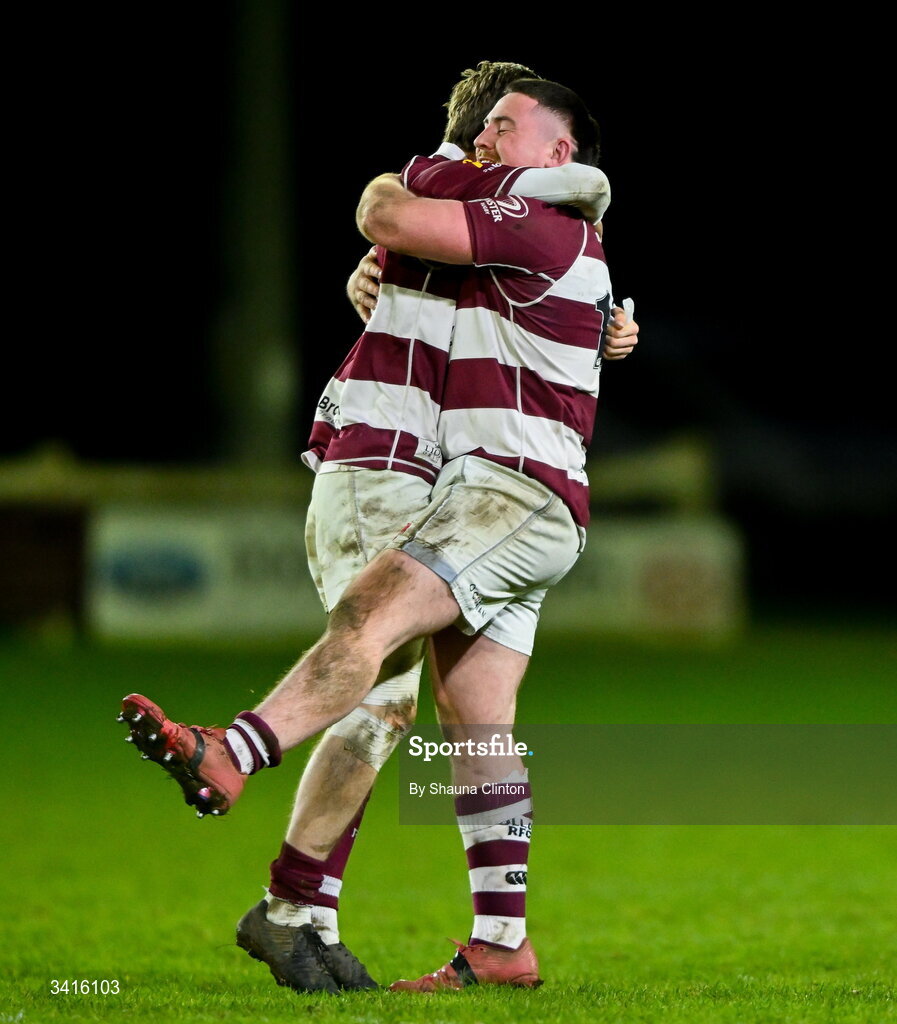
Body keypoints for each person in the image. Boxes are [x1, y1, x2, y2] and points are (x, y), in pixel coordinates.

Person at [118, 69, 636, 994]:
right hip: (423, 476)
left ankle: (246, 788)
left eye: (505, 128)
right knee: (462, 718)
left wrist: (403, 229)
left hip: (496, 491)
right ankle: (494, 942)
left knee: (376, 655)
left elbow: (400, 218)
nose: (486, 141)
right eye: (480, 127)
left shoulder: (534, 213)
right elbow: (402, 243)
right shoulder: (487, 228)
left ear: (556, 153)